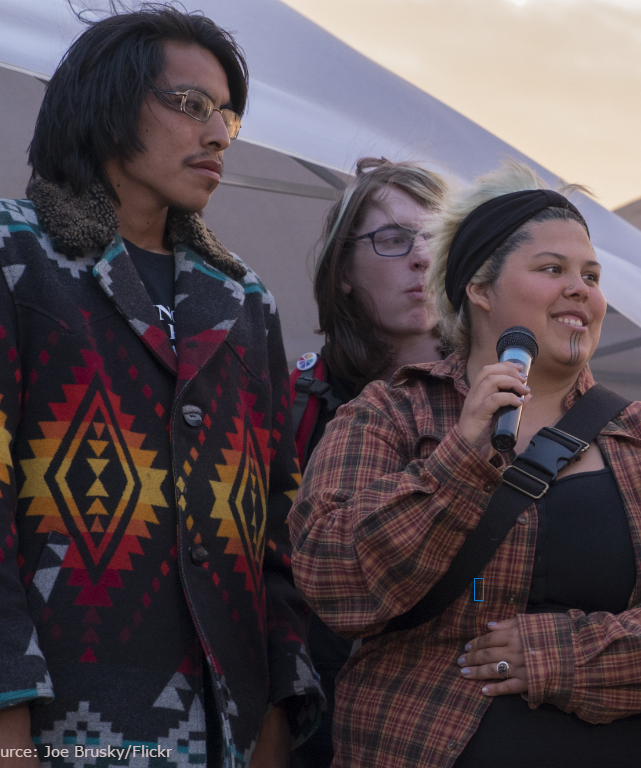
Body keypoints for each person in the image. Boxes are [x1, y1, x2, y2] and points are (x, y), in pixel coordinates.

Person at [288, 162, 641, 767]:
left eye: (591, 275)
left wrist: (560, 654)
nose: (580, 289)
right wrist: (458, 461)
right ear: (479, 290)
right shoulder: (388, 416)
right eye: (551, 269)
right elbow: (335, 581)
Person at [0, 7, 322, 767]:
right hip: (52, 726)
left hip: (224, 733)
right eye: (191, 105)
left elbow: (278, 524)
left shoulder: (242, 299)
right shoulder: (4, 251)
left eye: (227, 115)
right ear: (104, 104)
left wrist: (275, 711)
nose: (219, 135)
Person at [288, 158, 447, 768]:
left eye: (437, 238)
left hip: (450, 720)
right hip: (308, 717)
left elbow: (500, 574)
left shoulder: (508, 404)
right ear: (343, 272)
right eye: (391, 238)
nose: (420, 258)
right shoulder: (296, 403)